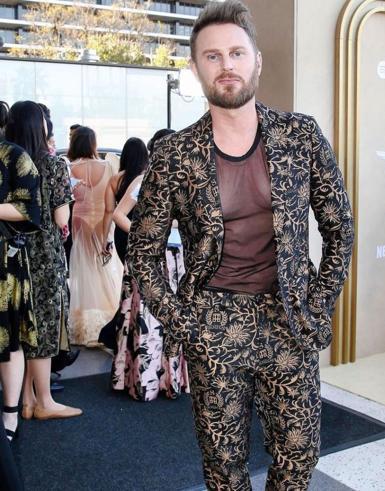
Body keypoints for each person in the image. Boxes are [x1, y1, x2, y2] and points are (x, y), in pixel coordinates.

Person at [127, 1, 354, 489]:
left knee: (299, 456)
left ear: (257, 60)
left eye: (236, 53)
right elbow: (142, 252)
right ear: (195, 68)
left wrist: (318, 304)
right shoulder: (174, 153)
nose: (226, 65)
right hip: (214, 322)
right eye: (212, 56)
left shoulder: (300, 136)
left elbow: (340, 228)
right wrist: (183, 321)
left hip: (289, 319)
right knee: (224, 466)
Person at [5, 101, 82, 421]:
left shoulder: (8, 162)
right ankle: (45, 402)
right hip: (44, 255)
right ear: (41, 127)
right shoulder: (52, 165)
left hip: (11, 253)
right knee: (44, 327)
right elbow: (61, 217)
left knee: (20, 328)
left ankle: (25, 400)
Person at [105, 175, 189, 401]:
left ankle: (170, 379)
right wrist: (146, 235)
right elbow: (118, 214)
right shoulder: (144, 180)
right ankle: (145, 380)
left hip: (177, 257)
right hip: (149, 259)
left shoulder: (186, 179)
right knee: (147, 319)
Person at [0, 127, 41, 443]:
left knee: (9, 337)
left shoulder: (14, 156)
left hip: (5, 262)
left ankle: (10, 413)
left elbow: (29, 210)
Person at [67, 126, 123, 346]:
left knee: (83, 268)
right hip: (102, 220)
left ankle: (84, 320)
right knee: (104, 266)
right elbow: (113, 197)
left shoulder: (70, 167)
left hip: (79, 220)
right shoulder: (108, 166)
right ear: (93, 143)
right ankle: (108, 317)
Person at [102, 137, 149, 263]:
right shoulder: (147, 177)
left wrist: (104, 239)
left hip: (122, 232)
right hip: (145, 229)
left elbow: (109, 211)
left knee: (128, 270)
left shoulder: (115, 179)